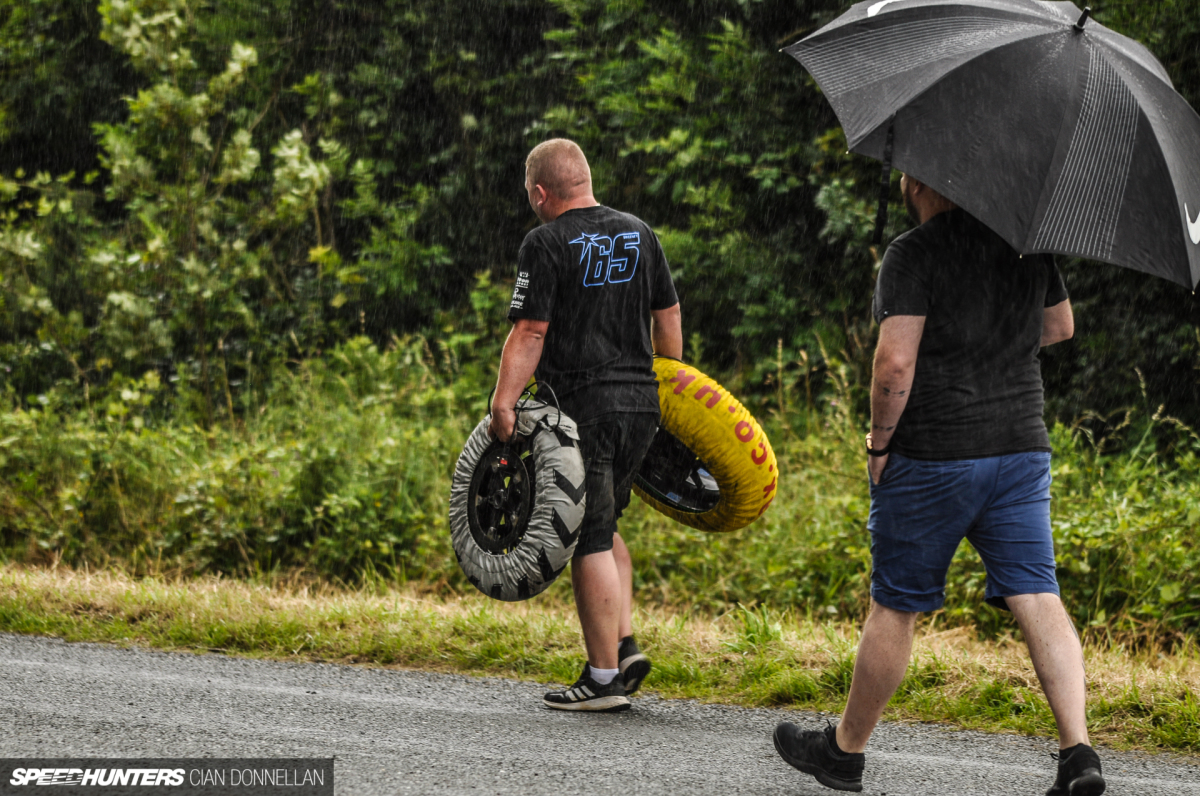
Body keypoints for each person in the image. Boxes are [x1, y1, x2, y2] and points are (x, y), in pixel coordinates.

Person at [772, 175, 1104, 796]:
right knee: (1037, 590)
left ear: (922, 181)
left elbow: (894, 363)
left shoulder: (913, 252)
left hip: (934, 455)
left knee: (897, 604)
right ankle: (1079, 753)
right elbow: (1060, 327)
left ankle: (844, 754)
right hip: (1018, 448)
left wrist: (879, 443)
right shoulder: (1027, 244)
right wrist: (992, 348)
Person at [490, 138, 683, 712]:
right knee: (604, 523)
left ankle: (602, 681)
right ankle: (622, 646)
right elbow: (667, 317)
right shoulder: (638, 232)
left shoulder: (545, 242)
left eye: (532, 198)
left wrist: (504, 400)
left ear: (541, 192)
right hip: (642, 405)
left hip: (585, 409)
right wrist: (671, 393)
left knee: (587, 539)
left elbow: (530, 332)